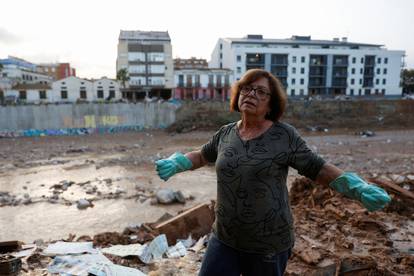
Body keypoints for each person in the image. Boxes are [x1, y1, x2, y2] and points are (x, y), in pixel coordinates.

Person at [155, 69, 391, 276]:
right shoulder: (226, 133)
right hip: (225, 238)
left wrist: (356, 188)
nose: (251, 95)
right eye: (246, 89)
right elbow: (203, 155)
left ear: (271, 104)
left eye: (260, 92)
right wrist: (178, 162)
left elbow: (317, 168)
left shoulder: (284, 136)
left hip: (267, 245)